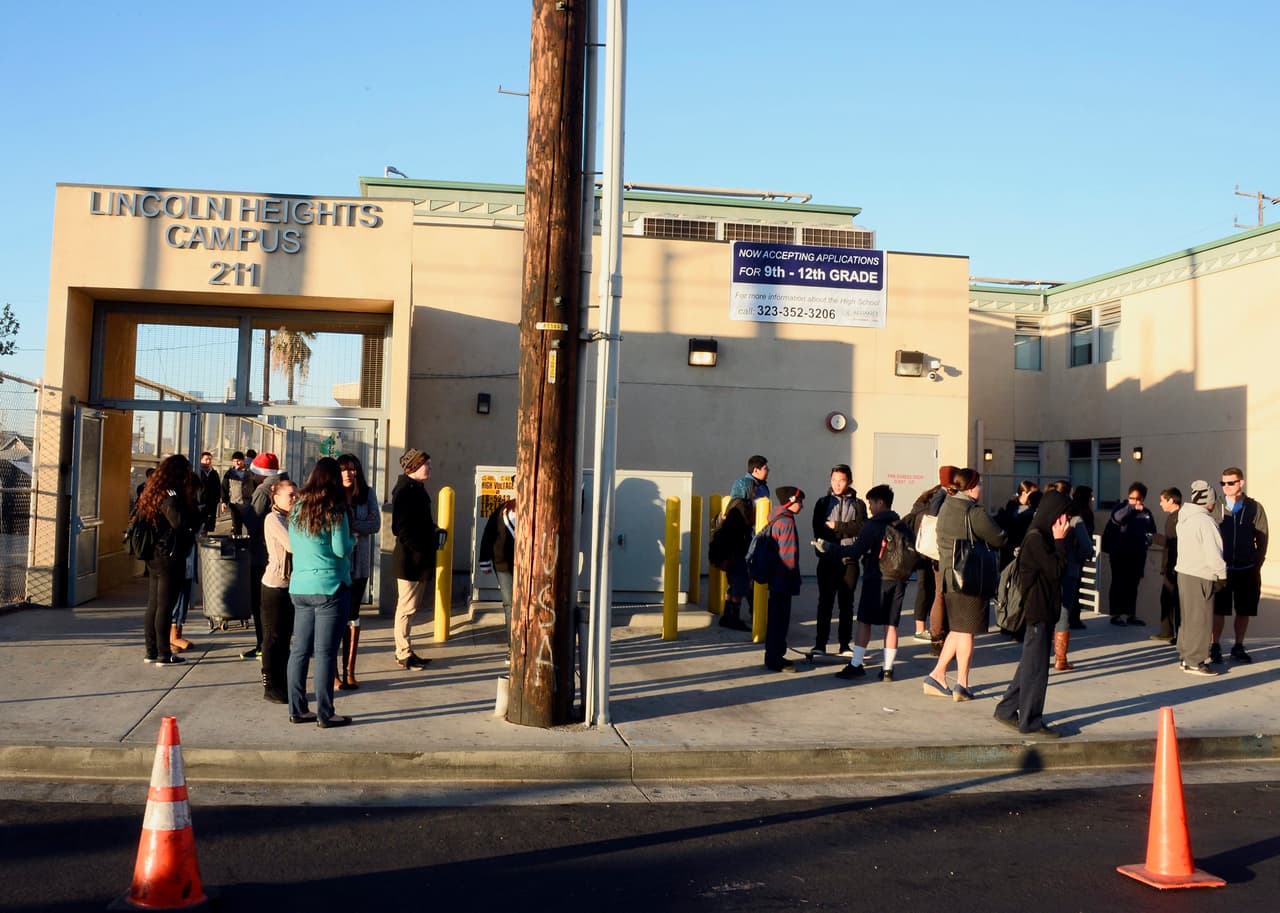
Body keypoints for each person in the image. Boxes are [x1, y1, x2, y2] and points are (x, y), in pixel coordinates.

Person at [993, 489, 1071, 738]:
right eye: (1063, 517)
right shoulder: (1037, 539)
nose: (1066, 522)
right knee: (1037, 669)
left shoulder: (1042, 537)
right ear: (1052, 515)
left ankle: (1006, 709)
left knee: (1030, 663)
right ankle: (1030, 721)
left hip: (1044, 610)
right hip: (1037, 611)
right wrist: (1060, 541)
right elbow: (1057, 570)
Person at [924, 468, 1007, 702]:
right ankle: (962, 684)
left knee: (958, 630)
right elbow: (999, 537)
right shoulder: (974, 512)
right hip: (970, 577)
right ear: (970, 487)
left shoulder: (947, 506)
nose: (982, 488)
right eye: (979, 484)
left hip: (951, 577)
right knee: (967, 632)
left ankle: (937, 675)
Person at [287, 457, 354, 729]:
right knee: (325, 653)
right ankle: (325, 714)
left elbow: (293, 544)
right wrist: (353, 540)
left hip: (300, 587)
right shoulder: (335, 510)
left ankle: (297, 709)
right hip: (329, 587)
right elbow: (340, 549)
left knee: (299, 650)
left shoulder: (296, 508)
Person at [829, 485, 905, 681]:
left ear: (881, 502)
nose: (870, 507)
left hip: (876, 578)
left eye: (871, 503)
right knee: (891, 625)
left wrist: (831, 549)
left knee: (864, 621)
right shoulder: (901, 524)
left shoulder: (873, 525)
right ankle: (888, 669)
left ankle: (856, 664)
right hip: (898, 580)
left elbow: (855, 551)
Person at [134, 455, 201, 666]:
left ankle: (151, 650)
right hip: (169, 555)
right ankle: (164, 653)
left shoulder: (152, 491)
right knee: (165, 605)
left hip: (155, 554)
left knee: (153, 604)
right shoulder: (171, 495)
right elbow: (179, 524)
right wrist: (193, 523)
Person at [1212, 466, 1268, 664]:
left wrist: (1256, 564)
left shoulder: (1254, 507)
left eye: (1230, 483)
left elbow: (1262, 537)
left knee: (1244, 610)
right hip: (1222, 569)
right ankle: (1215, 646)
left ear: (1241, 483)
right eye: (1223, 483)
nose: (1226, 487)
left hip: (1247, 569)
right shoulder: (1215, 506)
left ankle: (1238, 646)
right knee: (1219, 610)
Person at [809, 464, 866, 656]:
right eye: (834, 480)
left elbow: (861, 528)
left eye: (841, 480)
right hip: (827, 559)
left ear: (849, 481)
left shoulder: (858, 504)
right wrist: (844, 528)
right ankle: (820, 644)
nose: (837, 484)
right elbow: (819, 529)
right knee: (825, 602)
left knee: (846, 604)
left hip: (849, 559)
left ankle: (844, 645)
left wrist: (837, 526)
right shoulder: (823, 503)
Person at [391, 448, 438, 670]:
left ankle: (406, 649)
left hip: (420, 558)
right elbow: (399, 528)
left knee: (412, 608)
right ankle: (402, 652)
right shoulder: (405, 491)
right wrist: (420, 546)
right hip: (410, 560)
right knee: (406, 608)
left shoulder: (417, 489)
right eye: (426, 464)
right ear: (414, 467)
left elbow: (421, 522)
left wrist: (434, 531)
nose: (429, 467)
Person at [337, 453, 380, 689]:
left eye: (352, 469)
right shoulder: (332, 494)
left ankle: (349, 671)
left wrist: (351, 525)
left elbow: (375, 525)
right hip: (336, 564)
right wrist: (355, 527)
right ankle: (333, 673)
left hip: (360, 566)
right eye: (343, 469)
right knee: (334, 617)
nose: (348, 474)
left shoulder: (367, 493)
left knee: (352, 615)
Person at [1176, 481, 1226, 677]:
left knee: (1188, 618)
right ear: (1208, 501)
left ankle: (1185, 656)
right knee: (1201, 619)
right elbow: (1214, 552)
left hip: (1184, 572)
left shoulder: (1184, 517)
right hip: (1201, 574)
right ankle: (1195, 661)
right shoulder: (1205, 522)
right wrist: (1221, 575)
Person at [237, 452, 282, 661]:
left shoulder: (262, 492)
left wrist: (242, 508)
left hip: (261, 555)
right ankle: (271, 644)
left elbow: (254, 524)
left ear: (259, 474)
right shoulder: (284, 486)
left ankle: (262, 645)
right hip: (277, 554)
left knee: (260, 603)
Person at [720, 455, 770, 633]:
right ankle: (735, 616)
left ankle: (729, 616)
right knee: (744, 578)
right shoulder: (747, 486)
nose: (768, 471)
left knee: (738, 578)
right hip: (745, 539)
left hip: (747, 538)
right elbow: (744, 511)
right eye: (765, 468)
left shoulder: (760, 486)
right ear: (756, 469)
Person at [259, 476, 297, 703]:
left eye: (296, 494)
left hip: (291, 585)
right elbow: (293, 544)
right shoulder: (273, 519)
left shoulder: (292, 517)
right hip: (275, 585)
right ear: (276, 497)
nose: (294, 498)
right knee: (272, 637)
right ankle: (270, 685)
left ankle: (283, 683)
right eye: (290, 495)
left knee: (285, 638)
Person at [1052, 485, 1096, 670]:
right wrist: (1076, 559)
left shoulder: (1048, 517)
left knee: (1048, 610)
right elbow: (1087, 547)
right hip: (1069, 569)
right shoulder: (1075, 520)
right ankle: (1060, 659)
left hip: (1049, 568)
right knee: (1064, 612)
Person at [1101, 482, 1157, 625]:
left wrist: (1148, 539)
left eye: (1138, 499)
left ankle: (1130, 614)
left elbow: (1152, 529)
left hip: (1137, 554)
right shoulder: (1120, 508)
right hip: (1119, 553)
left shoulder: (1146, 513)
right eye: (1132, 498)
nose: (1135, 502)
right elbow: (1117, 519)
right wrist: (1130, 508)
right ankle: (1116, 614)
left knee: (1133, 584)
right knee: (1118, 583)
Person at [762, 486, 804, 672]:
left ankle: (773, 656)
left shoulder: (775, 517)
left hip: (774, 579)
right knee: (780, 620)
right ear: (792, 501)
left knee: (774, 619)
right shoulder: (786, 523)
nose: (802, 505)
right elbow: (788, 555)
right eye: (800, 501)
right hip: (783, 580)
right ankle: (775, 659)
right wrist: (792, 578)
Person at [478, 498, 518, 653]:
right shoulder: (504, 508)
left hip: (529, 566)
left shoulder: (538, 505)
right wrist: (484, 559)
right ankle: (512, 647)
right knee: (510, 604)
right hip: (503, 565)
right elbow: (489, 533)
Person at [1151, 487, 1182, 645]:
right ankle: (1168, 632)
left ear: (1171, 500)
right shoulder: (1175, 517)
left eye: (1163, 500)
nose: (1161, 503)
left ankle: (1175, 634)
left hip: (1173, 567)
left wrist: (1154, 537)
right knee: (1167, 600)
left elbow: (1172, 544)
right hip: (1172, 566)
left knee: (1174, 601)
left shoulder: (1176, 519)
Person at [995, 480, 1040, 569]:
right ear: (1024, 493)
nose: (1035, 498)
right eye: (1032, 495)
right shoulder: (1018, 511)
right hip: (1013, 552)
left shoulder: (1011, 507)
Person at [221, 451, 251, 536]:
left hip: (248, 504)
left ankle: (249, 545)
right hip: (235, 503)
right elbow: (224, 487)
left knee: (250, 526)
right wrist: (224, 501)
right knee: (237, 526)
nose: (237, 463)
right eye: (234, 461)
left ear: (243, 460)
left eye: (239, 460)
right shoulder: (229, 473)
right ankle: (238, 545)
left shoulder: (250, 472)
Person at [194, 451, 221, 534]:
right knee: (199, 525)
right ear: (201, 460)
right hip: (199, 503)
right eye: (206, 459)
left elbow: (218, 488)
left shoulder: (214, 473)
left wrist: (217, 500)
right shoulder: (197, 473)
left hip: (211, 504)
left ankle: (204, 539)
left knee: (208, 525)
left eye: (210, 459)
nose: (208, 461)